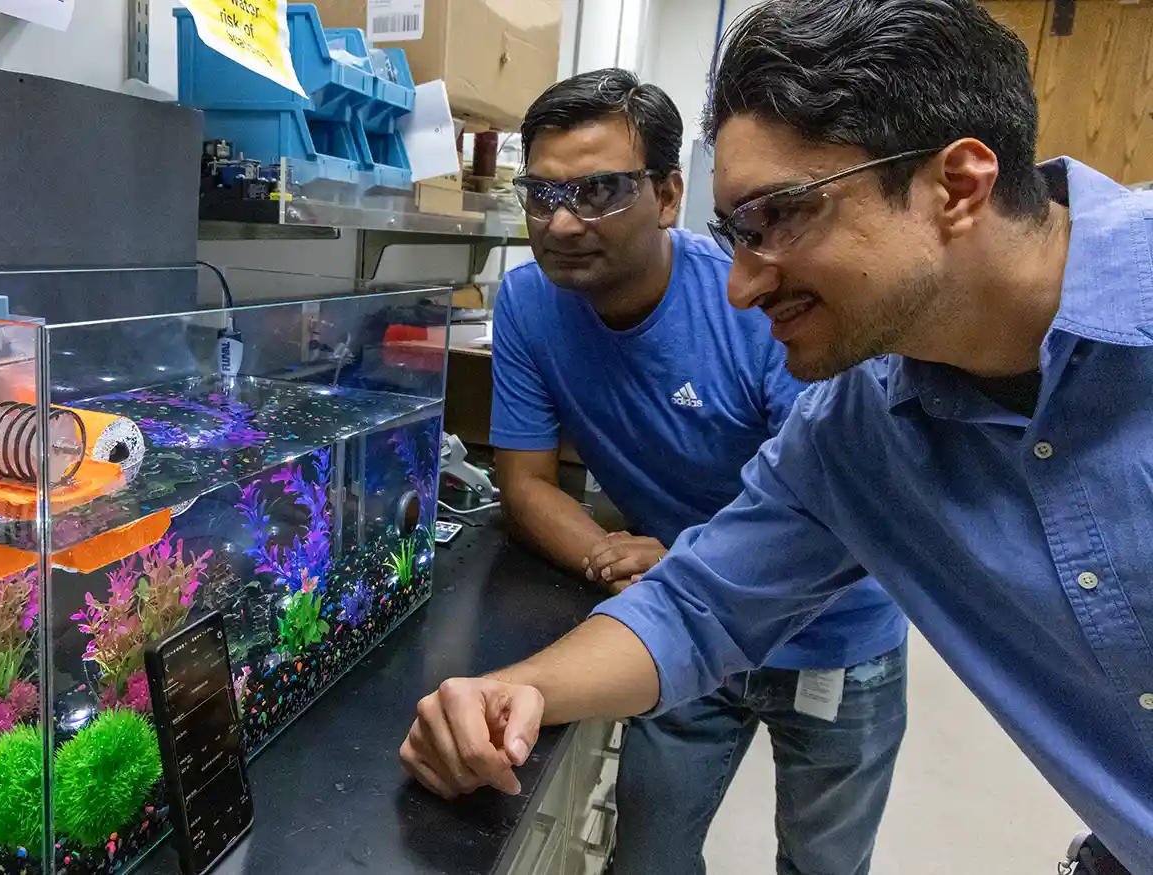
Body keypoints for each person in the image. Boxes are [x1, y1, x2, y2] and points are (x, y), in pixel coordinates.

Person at [398, 1, 1153, 873]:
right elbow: (701, 602)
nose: (743, 286)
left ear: (956, 186)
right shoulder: (856, 424)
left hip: (841, 650)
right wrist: (510, 691)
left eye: (780, 219)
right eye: (736, 236)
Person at [487, 68, 907, 875]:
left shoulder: (760, 303)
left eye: (600, 190)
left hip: (834, 635)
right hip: (675, 624)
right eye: (539, 195)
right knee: (646, 853)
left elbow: (824, 507)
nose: (563, 221)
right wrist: (607, 556)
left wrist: (681, 553)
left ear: (670, 194)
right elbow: (528, 483)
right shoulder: (528, 305)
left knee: (825, 861)